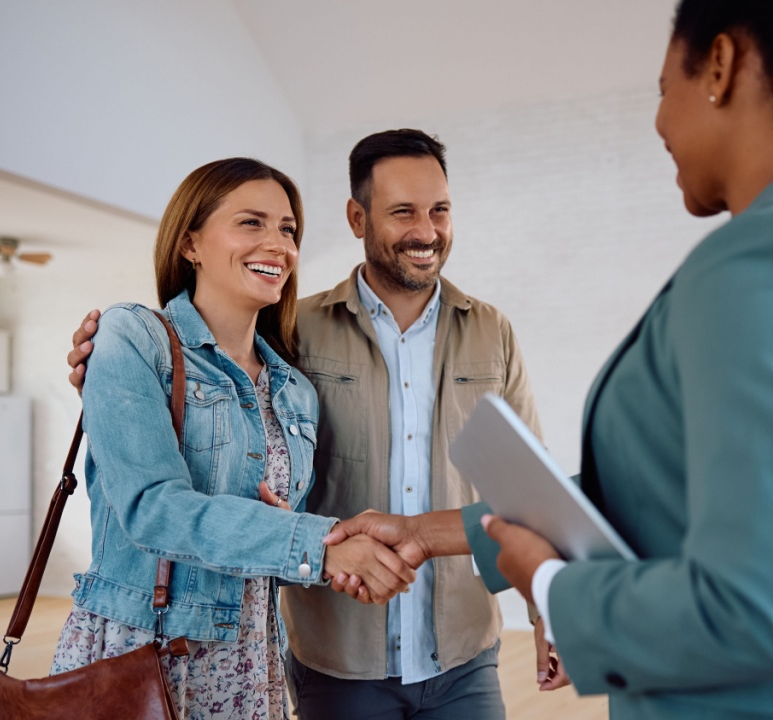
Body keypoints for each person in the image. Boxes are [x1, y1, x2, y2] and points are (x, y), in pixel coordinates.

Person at [477, 0, 773, 718]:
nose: (660, 123)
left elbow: (749, 613)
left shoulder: (767, 260)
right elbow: (669, 491)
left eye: (664, 89)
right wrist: (429, 533)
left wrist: (549, 587)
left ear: (720, 66)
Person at [68, 132, 559, 719]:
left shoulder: (292, 378)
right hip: (277, 655)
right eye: (403, 211)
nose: (426, 230)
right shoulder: (293, 335)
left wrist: (545, 604)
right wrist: (107, 380)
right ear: (357, 217)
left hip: (434, 651)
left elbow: (530, 488)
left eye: (440, 210)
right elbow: (160, 496)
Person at [52, 157, 415, 720]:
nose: (278, 244)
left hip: (251, 663)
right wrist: (319, 544)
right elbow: (152, 510)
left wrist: (329, 559)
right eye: (252, 223)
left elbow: (267, 546)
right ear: (190, 242)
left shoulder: (294, 390)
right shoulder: (132, 336)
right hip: (144, 655)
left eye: (288, 230)